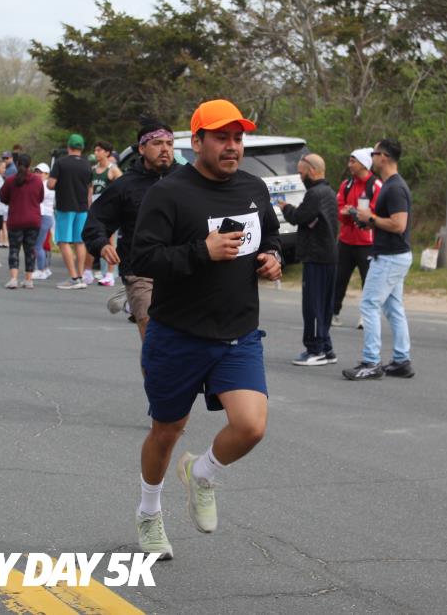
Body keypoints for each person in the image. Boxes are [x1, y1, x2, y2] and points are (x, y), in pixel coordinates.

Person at [131, 99, 282, 560]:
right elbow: (143, 258)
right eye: (221, 137)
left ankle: (202, 473)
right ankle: (149, 511)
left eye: (238, 138)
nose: (232, 146)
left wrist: (272, 257)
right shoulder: (170, 193)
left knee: (251, 426)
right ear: (196, 142)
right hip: (178, 334)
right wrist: (202, 251)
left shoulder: (254, 188)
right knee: (167, 430)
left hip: (238, 333)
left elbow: (271, 235)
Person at [84, 119, 178, 339]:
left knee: (181, 339)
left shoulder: (187, 180)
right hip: (141, 271)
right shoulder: (125, 185)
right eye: (157, 143)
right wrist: (101, 243)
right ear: (142, 149)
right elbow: (96, 220)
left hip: (182, 269)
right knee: (154, 334)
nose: (165, 149)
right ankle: (133, 297)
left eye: (169, 143)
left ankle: (128, 299)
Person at [342, 138, 416, 381]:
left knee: (369, 305)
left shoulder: (394, 188)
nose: (371, 157)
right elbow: (391, 223)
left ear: (383, 157)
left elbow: (399, 224)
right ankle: (401, 360)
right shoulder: (389, 185)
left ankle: (371, 361)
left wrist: (371, 218)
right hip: (394, 254)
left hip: (390, 256)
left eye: (374, 153)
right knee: (393, 308)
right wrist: (368, 221)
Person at [278, 153, 339, 365]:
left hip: (316, 256)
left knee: (313, 305)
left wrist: (286, 208)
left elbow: (300, 217)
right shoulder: (329, 192)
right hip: (329, 255)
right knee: (324, 305)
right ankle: (326, 347)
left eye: (301, 172)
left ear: (312, 171)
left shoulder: (315, 194)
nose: (299, 176)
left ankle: (315, 349)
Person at [333, 148, 382, 329]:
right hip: (346, 240)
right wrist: (346, 213)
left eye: (353, 161)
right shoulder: (346, 184)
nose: (350, 165)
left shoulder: (375, 185)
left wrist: (357, 213)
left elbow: (377, 211)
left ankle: (366, 317)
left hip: (367, 243)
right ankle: (333, 313)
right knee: (339, 279)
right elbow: (339, 207)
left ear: (363, 164)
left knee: (368, 282)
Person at [49, 134, 92, 289]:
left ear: (69, 147)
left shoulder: (60, 163)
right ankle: (80, 277)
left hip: (65, 206)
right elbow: (90, 188)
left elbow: (51, 184)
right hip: (82, 207)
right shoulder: (87, 165)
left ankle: (73, 277)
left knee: (63, 241)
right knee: (80, 242)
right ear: (82, 148)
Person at [0, 154, 43, 289]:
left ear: (17, 164)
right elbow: (40, 198)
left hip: (16, 219)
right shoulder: (37, 180)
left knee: (14, 249)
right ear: (30, 164)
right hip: (33, 219)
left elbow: (3, 197)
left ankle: (14, 279)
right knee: (30, 250)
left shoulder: (10, 180)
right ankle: (29, 280)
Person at [89, 140, 122, 286]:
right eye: (95, 150)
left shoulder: (113, 169)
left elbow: (123, 186)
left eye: (99, 150)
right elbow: (89, 190)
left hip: (108, 210)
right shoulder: (93, 169)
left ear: (107, 153)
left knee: (110, 241)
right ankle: (88, 272)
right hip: (95, 208)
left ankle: (110, 274)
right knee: (92, 238)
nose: (96, 153)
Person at [31, 163, 55, 280]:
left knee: (37, 245)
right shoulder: (41, 185)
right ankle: (45, 269)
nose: (37, 174)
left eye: (40, 172)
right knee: (40, 245)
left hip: (44, 216)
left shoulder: (46, 186)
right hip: (44, 216)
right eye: (36, 172)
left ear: (47, 174)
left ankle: (40, 270)